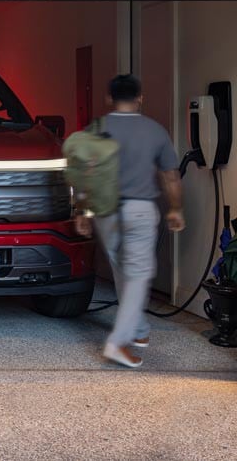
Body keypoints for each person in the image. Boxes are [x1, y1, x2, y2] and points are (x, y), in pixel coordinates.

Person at [75, 74, 185, 368]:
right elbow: (170, 176)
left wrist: (82, 212)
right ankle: (117, 342)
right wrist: (175, 208)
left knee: (123, 270)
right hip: (139, 209)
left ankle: (138, 329)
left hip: (105, 211)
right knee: (137, 275)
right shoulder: (155, 131)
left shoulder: (96, 130)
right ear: (140, 98)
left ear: (108, 99)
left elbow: (85, 175)